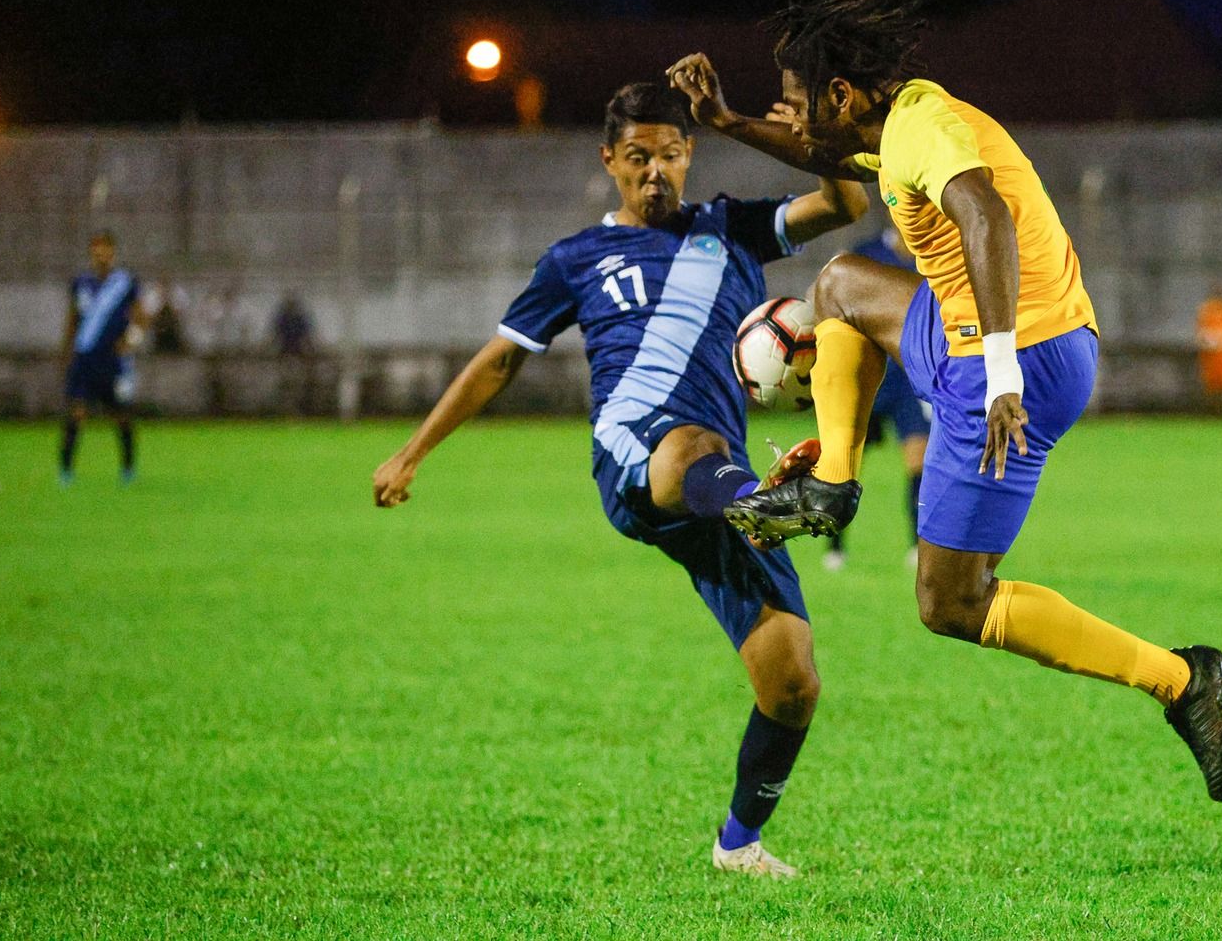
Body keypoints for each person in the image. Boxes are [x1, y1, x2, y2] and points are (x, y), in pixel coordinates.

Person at [667, 0, 1222, 803]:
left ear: (841, 96)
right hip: (1005, 341)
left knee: (950, 603)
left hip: (1014, 363)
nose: (787, 117)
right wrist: (727, 121)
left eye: (795, 100)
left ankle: (1180, 681)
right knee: (839, 286)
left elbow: (984, 210)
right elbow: (815, 149)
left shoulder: (922, 133)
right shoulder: (887, 127)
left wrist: (1002, 372)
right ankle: (829, 485)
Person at [371, 83, 869, 875]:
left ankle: (737, 846)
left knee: (792, 682)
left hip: (724, 485)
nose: (655, 173)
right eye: (638, 158)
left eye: (670, 155)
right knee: (690, 441)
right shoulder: (576, 259)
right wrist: (411, 452)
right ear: (609, 161)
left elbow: (844, 199)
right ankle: (765, 505)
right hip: (638, 453)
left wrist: (779, 132)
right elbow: (501, 358)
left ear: (689, 155)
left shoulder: (730, 229)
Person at [822, 225, 928, 573]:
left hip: (908, 382)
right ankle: (835, 546)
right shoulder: (865, 254)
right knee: (846, 466)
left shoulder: (931, 257)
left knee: (919, 463)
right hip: (867, 377)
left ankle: (918, 545)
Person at [59, 230, 148, 485]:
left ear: (113, 251)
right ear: (90, 251)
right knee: (76, 412)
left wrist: (130, 341)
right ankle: (66, 469)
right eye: (96, 248)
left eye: (105, 248)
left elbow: (141, 318)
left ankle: (128, 468)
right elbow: (72, 319)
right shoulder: (81, 283)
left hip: (112, 361)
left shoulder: (125, 282)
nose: (100, 253)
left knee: (120, 414)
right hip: (84, 359)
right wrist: (66, 352)